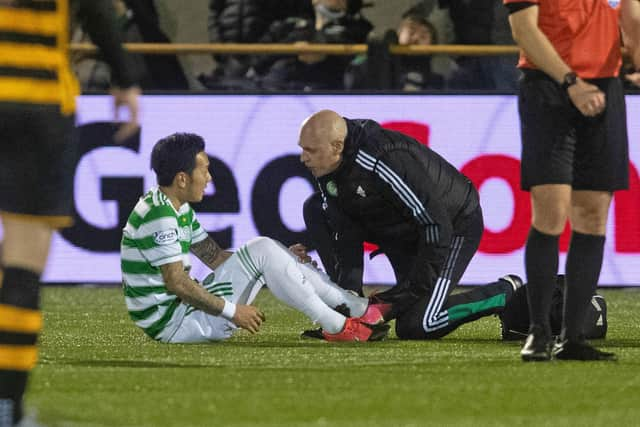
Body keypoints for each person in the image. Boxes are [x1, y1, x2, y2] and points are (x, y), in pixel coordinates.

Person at [0, 1, 140, 425]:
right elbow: (97, 12)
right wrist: (125, 79)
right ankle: (7, 407)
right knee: (23, 263)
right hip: (38, 105)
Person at [121, 132, 389, 345]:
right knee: (262, 249)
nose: (209, 178)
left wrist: (284, 257)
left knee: (267, 250)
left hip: (179, 317)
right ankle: (341, 323)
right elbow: (176, 282)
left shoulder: (172, 207)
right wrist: (232, 311)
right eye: (204, 170)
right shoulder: (161, 217)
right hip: (177, 324)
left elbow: (213, 257)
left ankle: (355, 308)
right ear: (182, 178)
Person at [298, 110, 523, 340]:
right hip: (402, 230)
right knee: (316, 209)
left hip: (453, 228)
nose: (303, 158)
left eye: (310, 151)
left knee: (420, 324)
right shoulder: (329, 161)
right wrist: (351, 305)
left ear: (337, 146)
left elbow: (436, 226)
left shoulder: (381, 159)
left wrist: (398, 298)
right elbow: (345, 230)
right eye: (302, 148)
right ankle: (345, 305)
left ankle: (505, 292)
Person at [505, 0, 640, 361]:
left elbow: (632, 17)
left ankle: (573, 337)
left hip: (606, 88)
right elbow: (524, 29)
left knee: (593, 216)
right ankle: (538, 332)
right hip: (548, 89)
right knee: (551, 211)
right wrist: (571, 82)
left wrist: (637, 58)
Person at [344, 12, 445, 91]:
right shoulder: (369, 65)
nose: (416, 38)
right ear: (398, 34)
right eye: (412, 31)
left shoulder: (437, 81)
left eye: (423, 36)